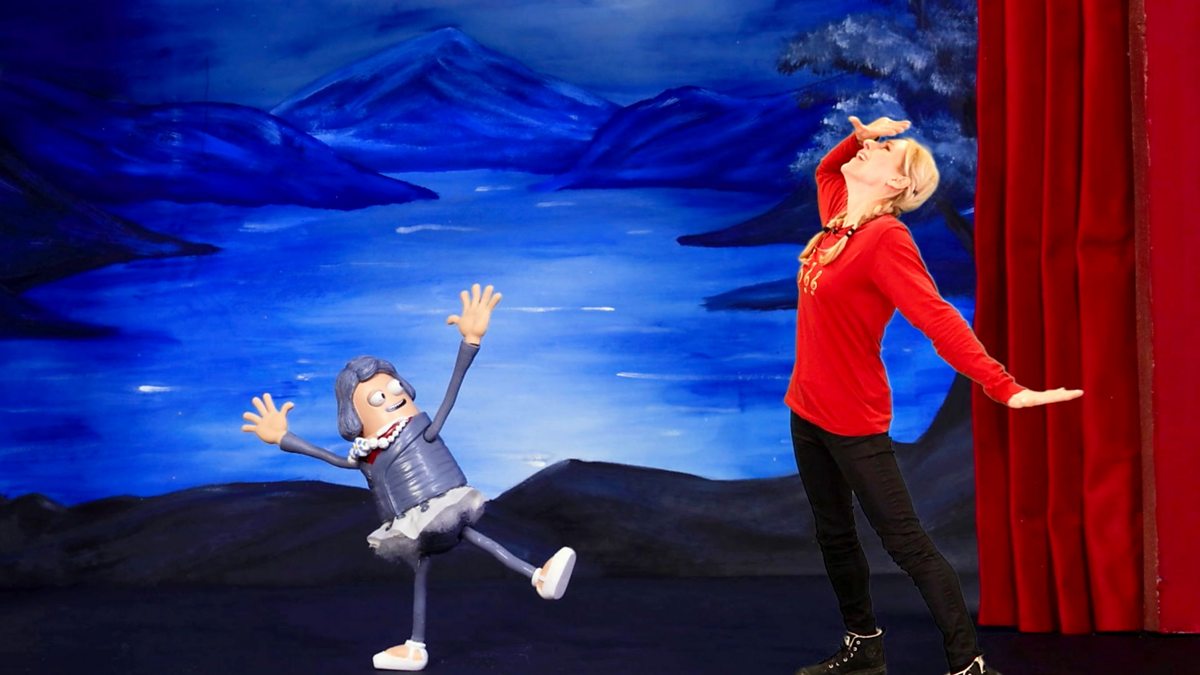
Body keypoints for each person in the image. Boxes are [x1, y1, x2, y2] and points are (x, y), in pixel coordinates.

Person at [786, 117, 1082, 675]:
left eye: (886, 148)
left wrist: (1003, 386)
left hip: (853, 419)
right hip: (806, 412)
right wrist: (861, 136)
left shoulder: (886, 239)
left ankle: (968, 664)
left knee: (906, 543)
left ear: (898, 183)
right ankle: (864, 646)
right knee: (835, 535)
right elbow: (827, 168)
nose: (873, 146)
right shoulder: (840, 217)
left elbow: (937, 317)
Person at [241, 284, 576, 672]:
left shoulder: (421, 432)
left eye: (395, 388)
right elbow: (329, 458)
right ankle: (420, 643)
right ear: (354, 416)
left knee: (462, 543)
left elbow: (452, 392)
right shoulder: (366, 456)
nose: (394, 398)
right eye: (377, 399)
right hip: (411, 520)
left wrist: (470, 342)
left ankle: (536, 578)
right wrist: (283, 437)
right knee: (439, 556)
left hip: (442, 504)